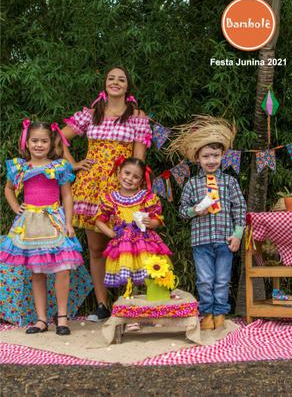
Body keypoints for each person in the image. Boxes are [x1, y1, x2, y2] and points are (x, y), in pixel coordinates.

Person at [62, 66, 152, 322]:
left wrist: (134, 189)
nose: (115, 82)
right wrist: (73, 163)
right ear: (104, 84)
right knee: (96, 247)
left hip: (122, 185)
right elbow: (58, 137)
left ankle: (129, 302)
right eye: (111, 78)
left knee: (129, 243)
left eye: (121, 79)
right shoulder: (91, 114)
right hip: (90, 187)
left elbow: (138, 157)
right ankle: (102, 305)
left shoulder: (137, 116)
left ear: (128, 86)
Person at [0, 120, 84, 335]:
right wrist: (16, 207)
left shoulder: (59, 166)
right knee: (37, 273)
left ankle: (62, 318)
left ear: (51, 143)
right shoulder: (20, 166)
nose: (39, 145)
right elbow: (9, 189)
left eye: (43, 141)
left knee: (63, 269)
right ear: (26, 143)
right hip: (30, 224)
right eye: (34, 141)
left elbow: (67, 195)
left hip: (54, 220)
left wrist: (68, 223)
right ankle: (41, 319)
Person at [168, 115, 246, 330]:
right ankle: (207, 313)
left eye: (215, 155)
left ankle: (220, 313)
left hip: (225, 239)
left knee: (221, 280)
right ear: (197, 159)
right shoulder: (192, 184)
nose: (211, 160)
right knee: (204, 280)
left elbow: (240, 208)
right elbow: (183, 211)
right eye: (206, 156)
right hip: (200, 241)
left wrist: (238, 234)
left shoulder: (230, 182)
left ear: (223, 156)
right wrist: (195, 210)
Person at [94, 156, 172, 293]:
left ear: (141, 181)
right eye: (127, 173)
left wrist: (151, 223)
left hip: (145, 242)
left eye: (135, 177)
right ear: (119, 173)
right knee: (127, 273)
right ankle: (130, 302)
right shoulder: (110, 199)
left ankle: (152, 300)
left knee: (150, 271)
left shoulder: (147, 197)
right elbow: (99, 220)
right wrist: (110, 233)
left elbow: (158, 219)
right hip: (123, 244)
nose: (130, 179)